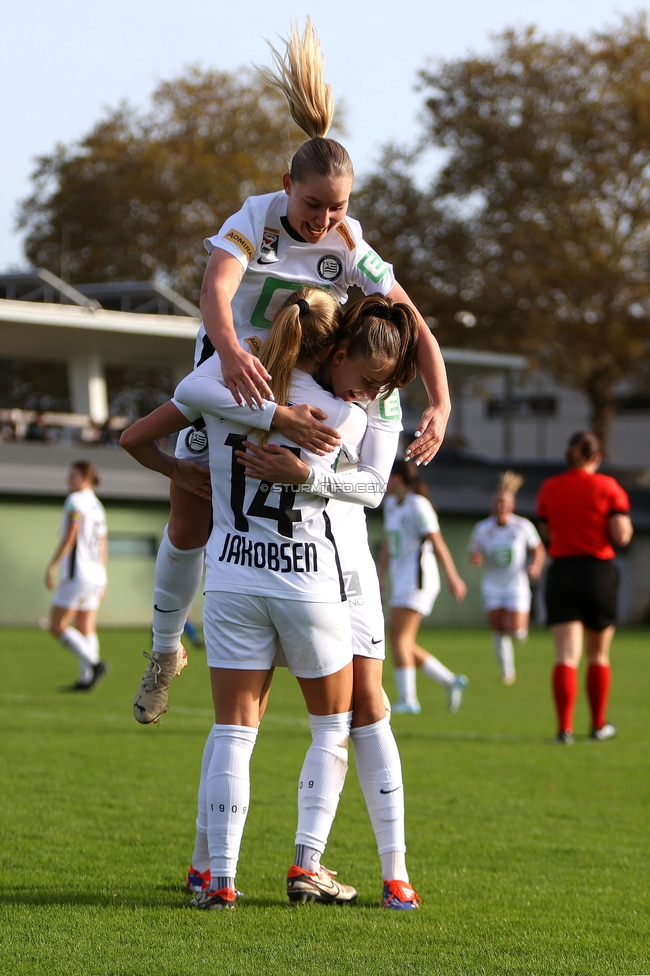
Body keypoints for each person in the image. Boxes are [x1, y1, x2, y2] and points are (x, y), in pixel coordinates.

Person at [131, 17, 452, 730]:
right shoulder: (255, 218)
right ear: (287, 189)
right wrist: (231, 349)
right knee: (191, 516)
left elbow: (412, 322)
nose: (324, 219)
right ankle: (162, 650)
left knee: (324, 490)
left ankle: (320, 619)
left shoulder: (348, 239)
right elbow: (218, 286)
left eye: (337, 206)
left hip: (298, 379)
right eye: (314, 205)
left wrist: (442, 401)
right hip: (232, 371)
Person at [121, 287, 422, 910]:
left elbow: (143, 431)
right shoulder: (347, 417)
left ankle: (219, 882)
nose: (368, 392)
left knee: (233, 730)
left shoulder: (226, 387)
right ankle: (306, 862)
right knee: (332, 727)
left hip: (232, 578)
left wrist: (186, 466)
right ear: (334, 346)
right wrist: (304, 457)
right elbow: (368, 490)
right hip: (311, 583)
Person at [536, 431, 633, 743]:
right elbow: (620, 536)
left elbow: (547, 529)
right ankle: (597, 724)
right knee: (598, 655)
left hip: (562, 571)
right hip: (597, 573)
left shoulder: (550, 487)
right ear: (597, 457)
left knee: (566, 655)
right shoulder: (609, 487)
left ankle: (564, 728)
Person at [379, 460, 468, 715]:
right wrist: (380, 575)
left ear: (396, 478)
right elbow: (388, 542)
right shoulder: (391, 506)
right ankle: (449, 681)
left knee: (398, 638)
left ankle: (409, 699)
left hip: (418, 581)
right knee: (403, 640)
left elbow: (437, 542)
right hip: (402, 580)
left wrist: (453, 577)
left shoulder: (419, 505)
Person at [468, 471, 545, 684]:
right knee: (497, 628)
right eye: (498, 502)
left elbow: (538, 549)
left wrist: (535, 566)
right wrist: (476, 557)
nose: (501, 506)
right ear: (493, 505)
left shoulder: (522, 526)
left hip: (516, 585)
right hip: (492, 585)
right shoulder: (483, 529)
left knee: (515, 630)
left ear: (511, 505)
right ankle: (507, 673)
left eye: (505, 503)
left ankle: (522, 632)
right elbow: (475, 549)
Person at [45, 461, 109, 690]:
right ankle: (86, 679)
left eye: (72, 476)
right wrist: (104, 577)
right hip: (96, 574)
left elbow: (71, 535)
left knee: (57, 625)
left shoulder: (75, 501)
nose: (68, 480)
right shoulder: (98, 506)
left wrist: (52, 565)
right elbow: (103, 543)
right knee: (86, 626)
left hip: (77, 573)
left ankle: (95, 663)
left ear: (86, 477)